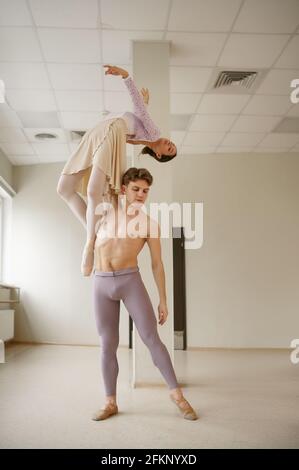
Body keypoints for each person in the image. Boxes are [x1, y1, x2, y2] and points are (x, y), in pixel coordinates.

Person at [91, 167, 198, 421]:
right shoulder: (105, 213)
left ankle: (178, 396)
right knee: (108, 344)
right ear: (124, 189)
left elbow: (157, 264)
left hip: (130, 281)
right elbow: (98, 180)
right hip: (101, 283)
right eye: (136, 189)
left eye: (146, 191)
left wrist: (163, 299)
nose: (141, 194)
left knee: (151, 338)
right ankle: (110, 402)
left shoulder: (149, 224)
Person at [56, 65, 177, 277]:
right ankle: (95, 233)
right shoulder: (147, 135)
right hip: (99, 130)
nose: (168, 142)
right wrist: (145, 103)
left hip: (111, 130)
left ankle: (89, 245)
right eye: (171, 143)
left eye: (169, 148)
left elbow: (138, 110)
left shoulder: (151, 134)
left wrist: (126, 76)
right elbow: (140, 114)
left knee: (94, 191)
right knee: (64, 189)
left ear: (159, 155)